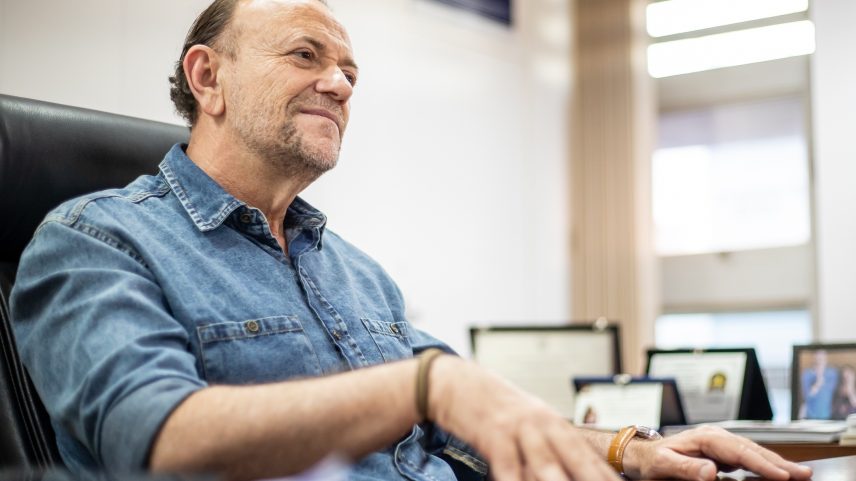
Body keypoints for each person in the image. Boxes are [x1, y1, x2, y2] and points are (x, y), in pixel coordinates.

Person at [10, 1, 813, 481]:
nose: (339, 82)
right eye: (305, 55)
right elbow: (157, 437)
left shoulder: (355, 271)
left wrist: (634, 448)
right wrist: (425, 385)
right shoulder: (94, 240)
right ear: (207, 77)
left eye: (350, 71)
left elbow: (469, 420)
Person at [800, 349, 838, 419]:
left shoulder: (832, 373)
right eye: (818, 358)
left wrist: (821, 374)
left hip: (827, 415)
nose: (820, 360)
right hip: (810, 416)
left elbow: (832, 392)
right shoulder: (807, 374)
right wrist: (817, 382)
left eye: (822, 358)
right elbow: (807, 397)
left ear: (826, 359)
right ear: (814, 358)